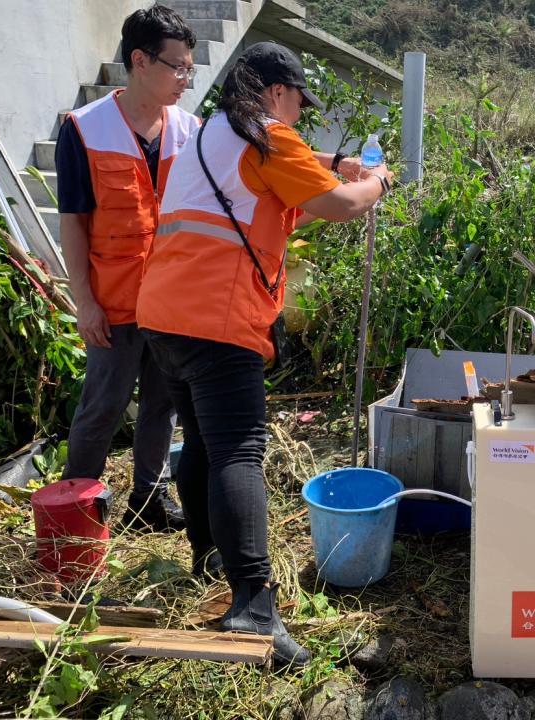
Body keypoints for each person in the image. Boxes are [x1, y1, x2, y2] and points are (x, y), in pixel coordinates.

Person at [136, 41, 393, 668]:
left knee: (200, 443)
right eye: (298, 102)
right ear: (276, 91)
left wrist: (333, 168)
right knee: (239, 452)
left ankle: (208, 554)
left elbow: (272, 211)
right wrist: (379, 183)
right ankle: (253, 605)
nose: (299, 115)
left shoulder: (206, 137)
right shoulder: (269, 135)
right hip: (215, 321)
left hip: (163, 316)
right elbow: (338, 206)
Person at [56, 4, 200, 532]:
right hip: (112, 303)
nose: (186, 78)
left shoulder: (191, 129)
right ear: (140, 61)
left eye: (189, 67)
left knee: (162, 406)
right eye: (177, 66)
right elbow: (73, 222)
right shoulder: (85, 130)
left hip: (171, 302)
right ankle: (75, 509)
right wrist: (84, 301)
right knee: (102, 408)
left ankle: (149, 502)